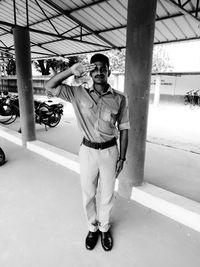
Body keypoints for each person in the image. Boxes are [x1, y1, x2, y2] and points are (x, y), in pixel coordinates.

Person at [45, 53, 130, 251]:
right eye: (95, 68)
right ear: (90, 71)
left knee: (107, 194)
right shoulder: (77, 93)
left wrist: (123, 157)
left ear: (109, 71)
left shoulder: (120, 98)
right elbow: (50, 86)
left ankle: (104, 227)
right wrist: (70, 71)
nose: (99, 71)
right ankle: (92, 228)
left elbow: (125, 128)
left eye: (103, 68)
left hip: (110, 152)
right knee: (88, 193)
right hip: (88, 151)